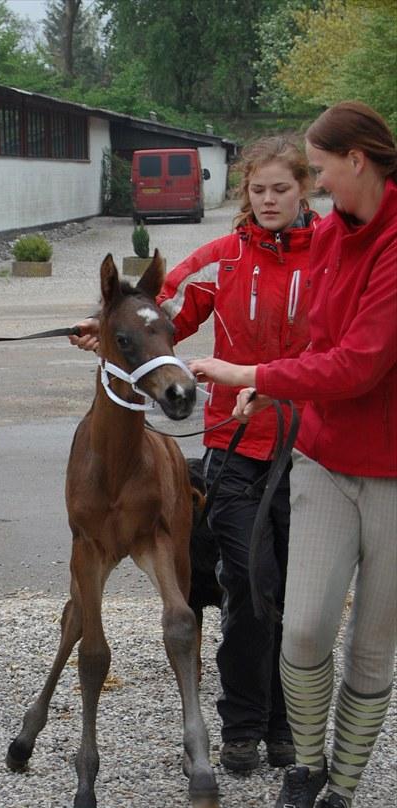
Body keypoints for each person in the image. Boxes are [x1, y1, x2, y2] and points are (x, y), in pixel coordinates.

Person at [72, 137, 319, 775]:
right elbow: (157, 313)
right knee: (247, 583)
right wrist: (107, 329)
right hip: (233, 448)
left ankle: (282, 721)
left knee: (297, 592)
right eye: (258, 190)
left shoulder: (330, 257)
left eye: (281, 190)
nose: (268, 201)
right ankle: (241, 723)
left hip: (312, 448)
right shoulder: (220, 259)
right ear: (246, 195)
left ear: (303, 190)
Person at [189, 101, 397, 808]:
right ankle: (303, 764)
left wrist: (259, 373)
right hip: (325, 455)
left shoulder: (392, 242)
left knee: (371, 649)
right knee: (304, 626)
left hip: (393, 472)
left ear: (354, 165)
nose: (301, 190)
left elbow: (363, 360)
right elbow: (317, 337)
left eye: (317, 167)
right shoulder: (335, 236)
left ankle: (340, 791)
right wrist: (271, 381)